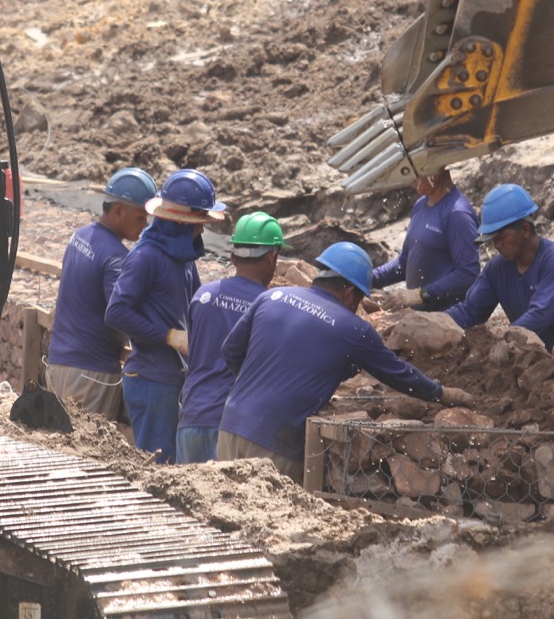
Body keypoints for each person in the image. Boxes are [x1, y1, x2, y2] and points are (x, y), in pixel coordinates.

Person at [217, 241, 443, 482]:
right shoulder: (354, 329)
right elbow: (399, 375)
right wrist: (440, 392)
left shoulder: (272, 296)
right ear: (349, 293)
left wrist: (259, 386)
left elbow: (231, 351)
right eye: (358, 299)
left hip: (231, 423)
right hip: (276, 439)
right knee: (268, 503)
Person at [106, 169, 224, 464]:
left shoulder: (182, 258)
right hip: (150, 380)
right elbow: (116, 312)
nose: (201, 231)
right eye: (198, 224)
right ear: (181, 223)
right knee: (157, 468)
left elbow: (194, 304)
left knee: (172, 467)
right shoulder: (146, 257)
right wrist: (168, 335)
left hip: (172, 378)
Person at [447, 183, 554, 360]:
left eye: (501, 237)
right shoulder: (496, 270)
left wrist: (499, 339)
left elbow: (539, 315)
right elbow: (469, 312)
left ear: (525, 230)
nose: (497, 246)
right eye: (493, 239)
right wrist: (435, 321)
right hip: (546, 365)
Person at [45, 168, 158, 425]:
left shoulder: (79, 236)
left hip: (58, 363)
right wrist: (162, 334)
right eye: (140, 217)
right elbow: (121, 315)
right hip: (90, 375)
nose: (145, 226)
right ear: (118, 211)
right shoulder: (116, 257)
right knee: (88, 446)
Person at [175, 212, 288, 464]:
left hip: (191, 418)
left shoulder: (203, 295)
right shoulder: (270, 307)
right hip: (231, 427)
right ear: (271, 258)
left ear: (233, 256)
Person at [370, 166, 481, 311]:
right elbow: (405, 263)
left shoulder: (457, 214)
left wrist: (421, 295)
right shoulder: (420, 205)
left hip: (448, 317)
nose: (411, 181)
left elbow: (468, 273)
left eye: (416, 174)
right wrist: (371, 278)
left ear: (434, 173)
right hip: (420, 315)